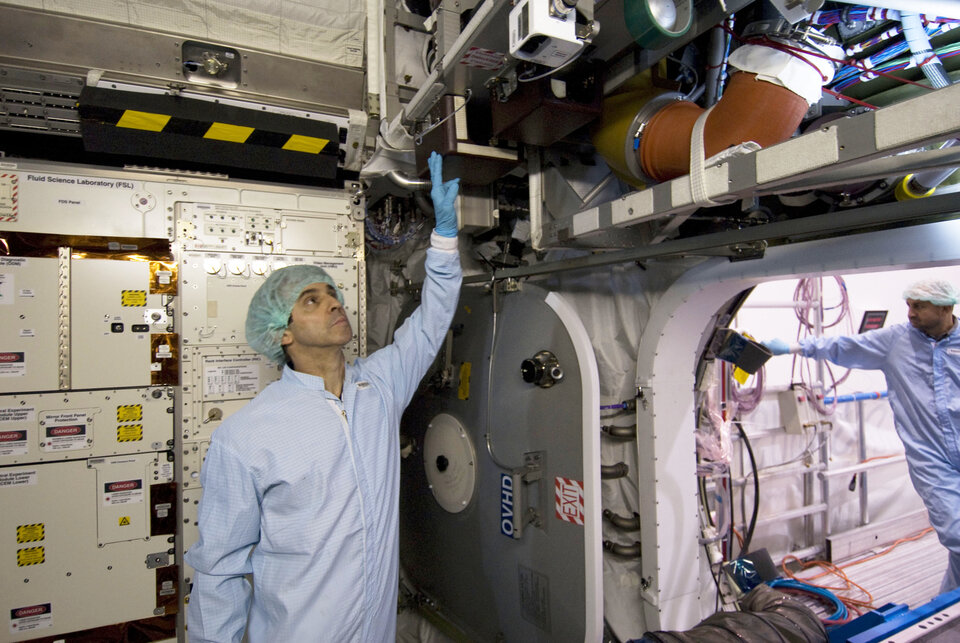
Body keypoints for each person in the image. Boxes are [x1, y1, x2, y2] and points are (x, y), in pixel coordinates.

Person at [184, 151, 462, 642]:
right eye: (312, 300)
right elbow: (219, 572)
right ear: (282, 332)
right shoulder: (246, 437)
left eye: (332, 294)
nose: (334, 302)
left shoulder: (379, 386)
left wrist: (444, 237)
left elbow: (431, 322)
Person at [764, 278, 960, 593]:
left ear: (945, 307)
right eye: (909, 305)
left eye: (919, 307)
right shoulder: (896, 341)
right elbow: (845, 346)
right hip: (931, 458)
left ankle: (950, 599)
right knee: (956, 532)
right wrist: (794, 347)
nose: (910, 313)